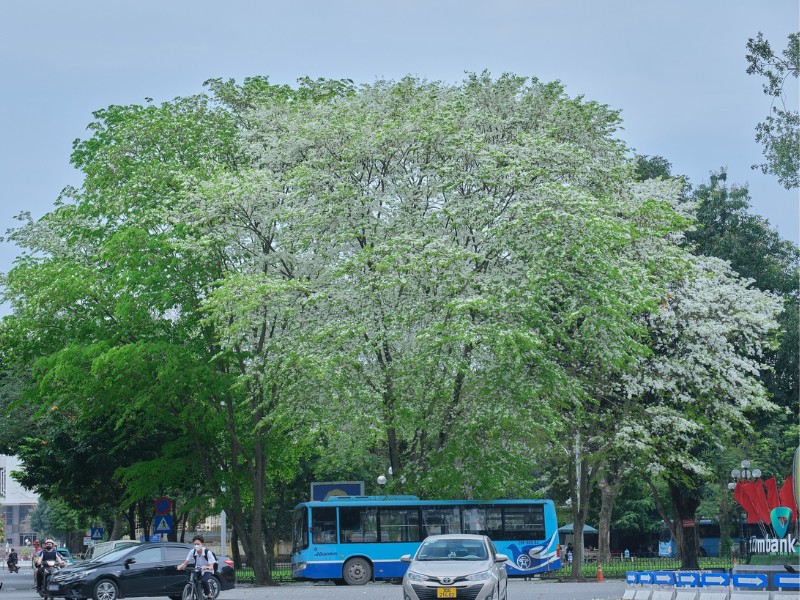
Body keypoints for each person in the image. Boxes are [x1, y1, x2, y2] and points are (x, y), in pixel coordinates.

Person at [177, 535, 217, 600]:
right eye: (195, 544)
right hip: (198, 569)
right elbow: (185, 563)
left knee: (203, 581)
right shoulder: (192, 552)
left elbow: (211, 567)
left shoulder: (207, 552)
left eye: (198, 544)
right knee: (194, 581)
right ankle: (197, 596)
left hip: (207, 570)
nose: (196, 545)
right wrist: (180, 567)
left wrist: (205, 567)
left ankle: (209, 596)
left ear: (202, 544)